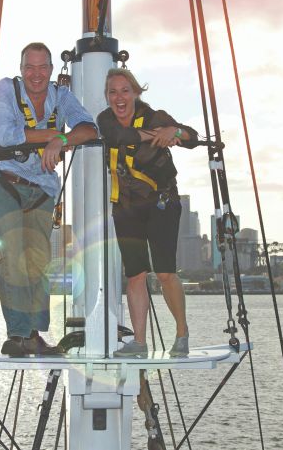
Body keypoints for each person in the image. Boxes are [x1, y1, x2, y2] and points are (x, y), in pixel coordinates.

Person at [0, 42, 98, 356]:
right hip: (6, 185)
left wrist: (61, 139)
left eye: (42, 67)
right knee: (14, 256)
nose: (36, 74)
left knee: (37, 262)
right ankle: (17, 334)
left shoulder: (61, 96)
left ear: (50, 70)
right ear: (21, 70)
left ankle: (32, 334)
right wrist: (53, 137)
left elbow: (89, 128)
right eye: (30, 67)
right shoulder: (5, 90)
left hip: (43, 191)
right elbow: (7, 135)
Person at [97, 67, 199, 358]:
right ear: (107, 97)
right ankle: (139, 343)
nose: (119, 98)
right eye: (112, 92)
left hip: (161, 202)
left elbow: (191, 138)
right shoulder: (105, 120)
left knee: (165, 272)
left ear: (136, 93)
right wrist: (154, 136)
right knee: (136, 275)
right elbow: (119, 136)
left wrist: (173, 131)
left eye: (125, 91)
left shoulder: (156, 116)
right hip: (126, 206)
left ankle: (182, 333)